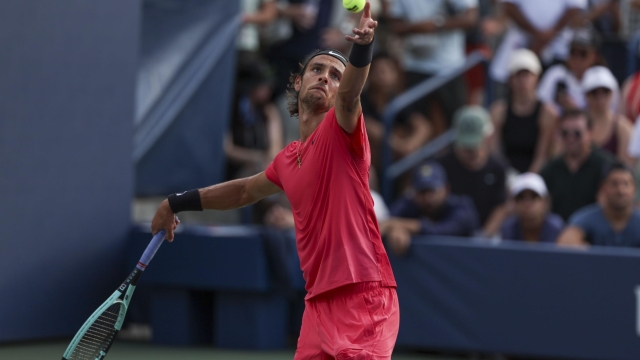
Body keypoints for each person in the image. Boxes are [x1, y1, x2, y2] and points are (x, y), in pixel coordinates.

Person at [152, 4, 399, 358]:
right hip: (318, 303)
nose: (325, 78)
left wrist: (364, 47)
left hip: (363, 296)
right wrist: (175, 202)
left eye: (334, 74)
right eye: (317, 69)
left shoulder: (341, 131)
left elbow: (350, 94)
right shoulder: (287, 158)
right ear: (298, 81)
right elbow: (243, 190)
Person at [387, 0, 479, 136]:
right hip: (414, 66)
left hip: (450, 67)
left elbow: (471, 19)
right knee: (415, 126)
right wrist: (420, 27)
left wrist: (438, 24)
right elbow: (395, 26)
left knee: (456, 125)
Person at [437, 106, 508, 237]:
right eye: (465, 145)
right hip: (448, 235)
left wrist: (484, 236)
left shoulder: (498, 168)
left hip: (486, 239)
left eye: (475, 143)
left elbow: (501, 206)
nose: (471, 150)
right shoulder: (441, 166)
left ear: (488, 138)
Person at [382, 161, 479, 255]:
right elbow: (389, 221)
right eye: (422, 191)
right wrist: (396, 229)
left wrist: (405, 226)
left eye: (433, 191)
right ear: (414, 192)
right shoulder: (409, 203)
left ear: (446, 189)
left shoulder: (462, 207)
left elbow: (442, 231)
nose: (428, 198)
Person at [489, 48, 557, 173]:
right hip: (505, 173)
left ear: (537, 77)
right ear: (510, 79)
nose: (522, 80)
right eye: (518, 75)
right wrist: (508, 178)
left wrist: (527, 182)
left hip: (535, 175)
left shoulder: (547, 113)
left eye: (527, 74)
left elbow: (542, 156)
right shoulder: (498, 111)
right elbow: (495, 152)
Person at [540, 109, 614, 221]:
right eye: (565, 133)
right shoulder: (549, 170)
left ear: (590, 133)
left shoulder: (607, 166)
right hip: (558, 233)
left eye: (577, 133)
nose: (570, 139)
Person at [490, 0, 586, 83]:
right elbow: (509, 5)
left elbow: (575, 7)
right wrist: (536, 34)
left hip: (561, 48)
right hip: (523, 43)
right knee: (519, 82)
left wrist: (549, 34)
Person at [557, 162, 640, 247]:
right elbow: (565, 243)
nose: (620, 190)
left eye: (626, 184)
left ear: (634, 188)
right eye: (614, 184)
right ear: (603, 187)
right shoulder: (587, 217)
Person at [225, 61, 283, 180]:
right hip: (236, 171)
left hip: (262, 167)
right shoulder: (231, 110)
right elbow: (228, 150)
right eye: (264, 86)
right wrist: (258, 158)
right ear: (251, 85)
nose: (269, 90)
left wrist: (267, 161)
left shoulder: (268, 111)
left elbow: (276, 147)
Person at [537, 27, 603, 114]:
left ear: (595, 56)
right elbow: (540, 107)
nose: (577, 58)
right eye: (573, 52)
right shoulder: (556, 74)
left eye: (583, 53)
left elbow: (607, 116)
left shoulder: (602, 78)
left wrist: (574, 110)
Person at [582, 66, 634, 165]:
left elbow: (626, 168)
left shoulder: (623, 128)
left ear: (613, 93)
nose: (600, 98)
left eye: (605, 91)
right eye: (594, 92)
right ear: (585, 94)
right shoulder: (574, 125)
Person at [500, 172, 565, 243]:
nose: (527, 203)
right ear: (514, 203)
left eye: (534, 196)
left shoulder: (556, 228)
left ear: (545, 201)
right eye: (521, 197)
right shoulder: (508, 228)